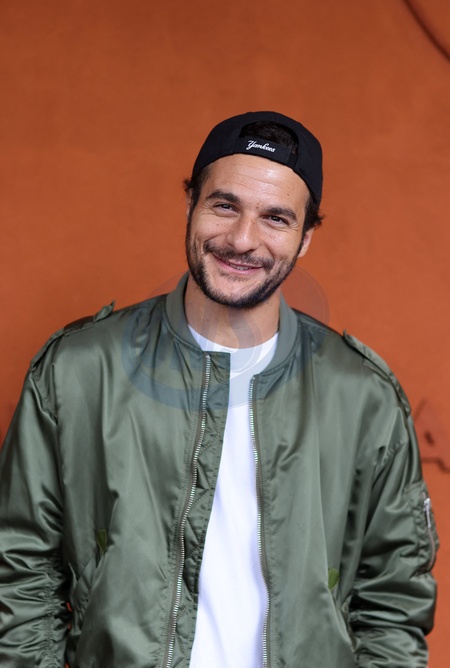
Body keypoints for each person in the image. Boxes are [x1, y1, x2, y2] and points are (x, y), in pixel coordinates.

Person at [0, 111, 438, 668]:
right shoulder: (78, 370)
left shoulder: (363, 396)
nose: (242, 239)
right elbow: (19, 573)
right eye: (225, 205)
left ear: (305, 238)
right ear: (190, 205)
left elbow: (393, 604)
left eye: (275, 218)